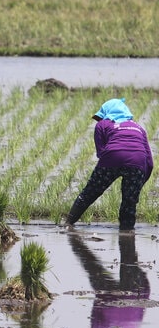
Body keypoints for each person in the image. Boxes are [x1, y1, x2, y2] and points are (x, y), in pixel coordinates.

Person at [64, 98, 153, 231]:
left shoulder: (102, 124)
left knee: (90, 192)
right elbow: (150, 162)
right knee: (130, 201)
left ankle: (68, 223)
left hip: (112, 158)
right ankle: (127, 232)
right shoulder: (139, 127)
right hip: (137, 161)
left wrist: (106, 172)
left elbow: (101, 152)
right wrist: (139, 182)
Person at [68, 232, 149, 328]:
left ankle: (127, 244)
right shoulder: (100, 327)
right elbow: (99, 300)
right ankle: (76, 244)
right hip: (137, 287)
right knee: (93, 268)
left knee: (129, 261)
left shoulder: (133, 325)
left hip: (140, 286)